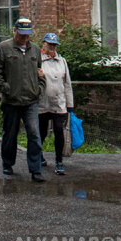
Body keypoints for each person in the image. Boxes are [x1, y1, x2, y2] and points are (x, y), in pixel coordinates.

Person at [0, 17, 46, 182]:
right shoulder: (3, 48)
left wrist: (39, 89)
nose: (25, 38)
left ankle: (36, 170)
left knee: (34, 134)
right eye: (21, 34)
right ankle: (7, 163)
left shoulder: (35, 50)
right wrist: (6, 90)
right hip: (11, 101)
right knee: (10, 134)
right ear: (14, 31)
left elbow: (40, 72)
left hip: (31, 100)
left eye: (27, 34)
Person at [37, 31, 74, 175]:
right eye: (49, 44)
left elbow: (67, 84)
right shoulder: (38, 60)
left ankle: (59, 161)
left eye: (54, 45)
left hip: (59, 104)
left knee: (59, 131)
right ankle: (38, 156)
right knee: (41, 132)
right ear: (43, 44)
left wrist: (70, 105)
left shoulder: (62, 61)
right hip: (42, 103)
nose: (52, 47)